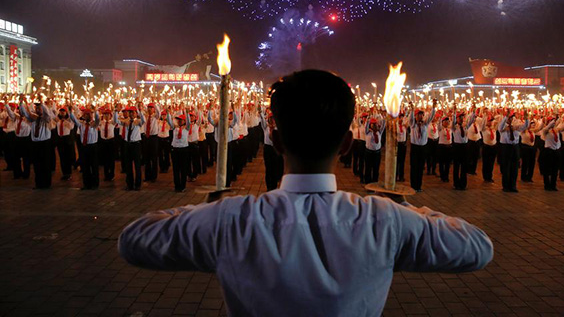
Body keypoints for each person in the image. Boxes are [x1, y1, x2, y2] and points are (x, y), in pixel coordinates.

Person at [118, 70, 493, 317]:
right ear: (347, 144)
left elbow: (134, 239)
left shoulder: (233, 218)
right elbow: (477, 247)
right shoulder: (384, 219)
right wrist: (406, 207)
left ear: (276, 140)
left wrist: (206, 207)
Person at [19, 96, 54, 189]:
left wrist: (42, 104)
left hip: (45, 143)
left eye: (39, 108)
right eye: (36, 108)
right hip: (35, 144)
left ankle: (46, 184)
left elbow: (47, 113)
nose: (37, 110)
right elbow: (26, 114)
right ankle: (38, 183)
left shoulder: (46, 119)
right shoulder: (33, 120)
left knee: (45, 164)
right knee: (37, 165)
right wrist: (21, 102)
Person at [408, 100, 437, 192]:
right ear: (416, 116)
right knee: (414, 167)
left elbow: (431, 116)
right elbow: (411, 119)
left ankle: (418, 186)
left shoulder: (425, 124)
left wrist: (433, 107)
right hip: (415, 147)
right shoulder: (413, 125)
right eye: (418, 115)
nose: (420, 116)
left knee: (420, 167)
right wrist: (412, 110)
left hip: (423, 148)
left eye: (421, 115)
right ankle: (413, 185)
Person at [69, 105, 100, 190]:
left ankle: (95, 184)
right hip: (85, 147)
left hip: (92, 146)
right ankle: (87, 184)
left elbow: (98, 120)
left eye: (89, 114)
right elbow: (74, 119)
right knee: (85, 166)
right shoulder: (82, 125)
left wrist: (96, 111)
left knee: (93, 165)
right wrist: (70, 111)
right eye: (86, 115)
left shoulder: (94, 124)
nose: (87, 116)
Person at [115, 103, 145, 191]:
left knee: (137, 165)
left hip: (136, 144)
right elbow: (116, 121)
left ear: (136, 113)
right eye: (130, 112)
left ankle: (138, 184)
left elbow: (143, 120)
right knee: (128, 165)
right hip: (127, 144)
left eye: (133, 112)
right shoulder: (126, 121)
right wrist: (116, 111)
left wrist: (139, 110)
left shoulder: (138, 121)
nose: (131, 114)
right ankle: (129, 184)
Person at [498, 110, 529, 193]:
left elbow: (525, 126)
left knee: (514, 168)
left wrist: (526, 119)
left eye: (511, 118)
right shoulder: (503, 127)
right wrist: (505, 117)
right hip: (506, 147)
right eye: (509, 118)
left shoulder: (516, 126)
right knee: (506, 167)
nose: (510, 119)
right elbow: (500, 128)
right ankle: (506, 186)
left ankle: (513, 186)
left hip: (514, 147)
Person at [166, 107, 191, 193]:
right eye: (178, 120)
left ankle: (183, 186)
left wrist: (187, 114)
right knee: (176, 169)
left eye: (181, 120)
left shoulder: (186, 128)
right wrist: (168, 113)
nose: (179, 121)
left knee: (183, 169)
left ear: (184, 121)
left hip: (184, 149)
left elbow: (189, 122)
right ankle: (177, 186)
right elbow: (169, 121)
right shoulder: (175, 128)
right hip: (175, 149)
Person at [541, 115, 564, 191]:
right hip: (549, 151)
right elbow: (547, 127)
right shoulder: (545, 130)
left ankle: (553, 184)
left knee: (555, 169)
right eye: (551, 121)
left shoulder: (556, 129)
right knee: (547, 169)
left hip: (556, 150)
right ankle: (547, 185)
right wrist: (552, 121)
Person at [451, 107, 476, 190]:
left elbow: (472, 120)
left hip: (465, 146)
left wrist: (473, 111)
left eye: (462, 117)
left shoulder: (465, 126)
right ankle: (456, 183)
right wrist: (454, 113)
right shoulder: (454, 127)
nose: (461, 119)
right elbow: (453, 121)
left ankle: (463, 183)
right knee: (456, 166)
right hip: (457, 147)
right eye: (460, 117)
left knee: (464, 166)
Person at [260, 107, 283, 191]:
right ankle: (269, 186)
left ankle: (275, 183)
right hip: (268, 148)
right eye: (270, 119)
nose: (272, 121)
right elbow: (262, 117)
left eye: (273, 119)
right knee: (269, 168)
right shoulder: (266, 127)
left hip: (275, 149)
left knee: (276, 167)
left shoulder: (278, 128)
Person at [54, 105, 75, 180]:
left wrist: (70, 112)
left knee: (67, 157)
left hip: (67, 140)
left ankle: (69, 173)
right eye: (61, 111)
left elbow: (71, 127)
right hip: (60, 140)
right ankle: (64, 173)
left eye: (63, 111)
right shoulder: (58, 120)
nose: (62, 113)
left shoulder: (69, 120)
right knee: (62, 157)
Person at [364, 116, 385, 184]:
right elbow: (366, 127)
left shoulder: (379, 132)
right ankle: (368, 182)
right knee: (368, 168)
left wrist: (384, 118)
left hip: (377, 153)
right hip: (369, 152)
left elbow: (383, 126)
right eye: (372, 124)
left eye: (375, 124)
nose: (374, 125)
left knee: (376, 168)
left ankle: (375, 182)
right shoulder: (368, 132)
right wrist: (368, 120)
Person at [98, 106, 116, 181]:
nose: (106, 116)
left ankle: (111, 174)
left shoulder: (112, 122)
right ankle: (106, 175)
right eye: (105, 114)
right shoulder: (101, 123)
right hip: (103, 142)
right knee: (105, 159)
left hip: (110, 141)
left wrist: (115, 111)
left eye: (108, 114)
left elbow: (116, 118)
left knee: (111, 159)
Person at [480, 114, 499, 183]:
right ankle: (485, 177)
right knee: (486, 162)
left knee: (491, 163)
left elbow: (499, 121)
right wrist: (485, 116)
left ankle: (490, 176)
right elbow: (482, 124)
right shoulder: (484, 129)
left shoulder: (494, 129)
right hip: (486, 147)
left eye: (491, 121)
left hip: (493, 147)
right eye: (489, 121)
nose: (490, 123)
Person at [437, 115, 453, 183]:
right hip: (442, 147)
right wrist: (441, 117)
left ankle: (446, 176)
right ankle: (442, 176)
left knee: (447, 163)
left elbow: (453, 122)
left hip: (449, 147)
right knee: (441, 163)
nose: (447, 122)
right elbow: (439, 124)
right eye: (445, 121)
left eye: (448, 121)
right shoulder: (441, 129)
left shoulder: (450, 129)